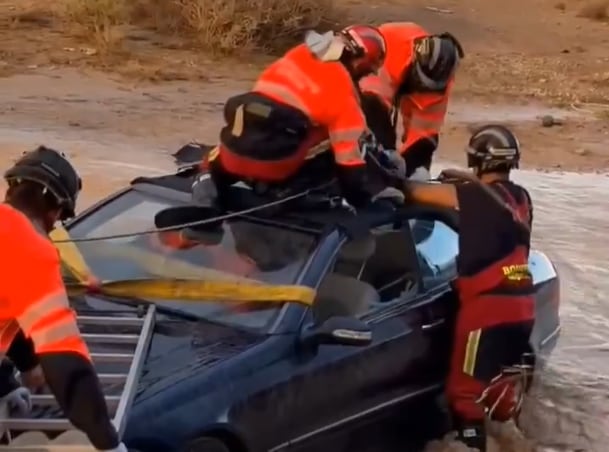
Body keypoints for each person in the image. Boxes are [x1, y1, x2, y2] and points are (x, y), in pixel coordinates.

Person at [397, 125, 534, 451]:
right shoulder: (521, 199)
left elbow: (414, 193)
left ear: (478, 160)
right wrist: (462, 180)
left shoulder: (470, 196)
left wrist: (386, 175)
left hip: (488, 309)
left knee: (464, 394)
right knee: (499, 390)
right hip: (523, 305)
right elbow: (491, 207)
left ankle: (472, 445)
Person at [2, 146, 128, 452]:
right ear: (55, 213)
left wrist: (7, 381)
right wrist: (107, 442)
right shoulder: (30, 251)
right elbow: (66, 363)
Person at [200, 25, 397, 209]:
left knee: (262, 121)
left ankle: (209, 174)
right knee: (347, 142)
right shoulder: (343, 95)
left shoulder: (299, 55)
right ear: (360, 62)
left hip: (233, 156)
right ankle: (295, 190)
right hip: (277, 167)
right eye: (366, 71)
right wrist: (364, 199)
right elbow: (349, 165)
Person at [358, 22, 464, 179]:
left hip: (403, 75)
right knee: (373, 119)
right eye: (421, 82)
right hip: (370, 66)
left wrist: (416, 170)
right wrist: (387, 152)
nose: (423, 87)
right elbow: (373, 103)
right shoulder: (388, 49)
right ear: (415, 61)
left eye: (427, 86)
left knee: (421, 151)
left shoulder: (441, 83)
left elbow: (424, 133)